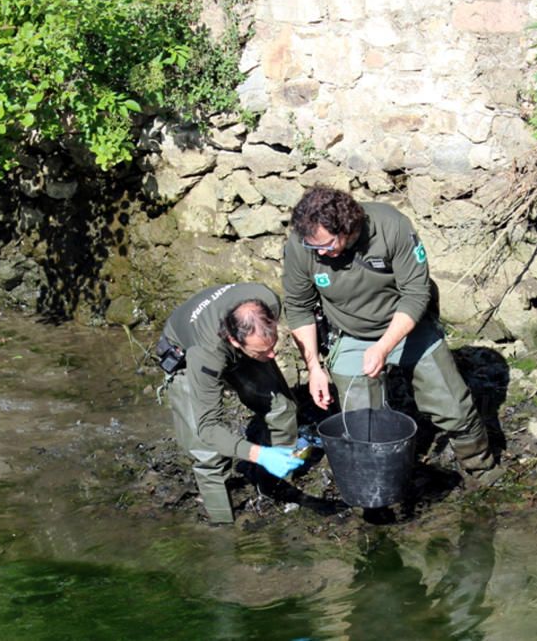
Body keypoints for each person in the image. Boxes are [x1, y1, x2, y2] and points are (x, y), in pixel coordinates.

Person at [282, 185, 493, 473]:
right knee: (363, 429)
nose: (319, 252)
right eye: (312, 246)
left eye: (326, 245)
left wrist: (383, 347)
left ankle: (480, 468)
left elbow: (416, 293)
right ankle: (383, 484)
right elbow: (298, 307)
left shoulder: (390, 226)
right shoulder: (302, 243)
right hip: (350, 332)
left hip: (407, 323)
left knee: (454, 407)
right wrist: (314, 368)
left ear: (347, 227)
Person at [159, 283, 303, 524]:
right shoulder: (206, 354)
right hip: (185, 356)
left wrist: (260, 351)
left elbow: (264, 348)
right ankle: (223, 525)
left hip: (236, 344)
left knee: (282, 409)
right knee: (207, 453)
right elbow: (208, 428)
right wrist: (259, 454)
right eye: (263, 351)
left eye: (273, 345)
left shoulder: (267, 300)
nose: (273, 356)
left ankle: (275, 486)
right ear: (235, 342)